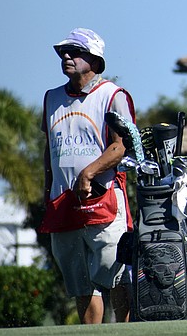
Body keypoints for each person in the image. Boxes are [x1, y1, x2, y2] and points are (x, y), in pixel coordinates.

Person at [38, 28, 135, 323]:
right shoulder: (51, 98)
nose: (66, 57)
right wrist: (47, 191)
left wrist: (89, 173)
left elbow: (121, 146)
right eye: (63, 52)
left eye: (75, 52)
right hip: (62, 202)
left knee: (117, 275)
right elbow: (49, 150)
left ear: (94, 59)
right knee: (81, 284)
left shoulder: (112, 95)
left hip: (103, 200)